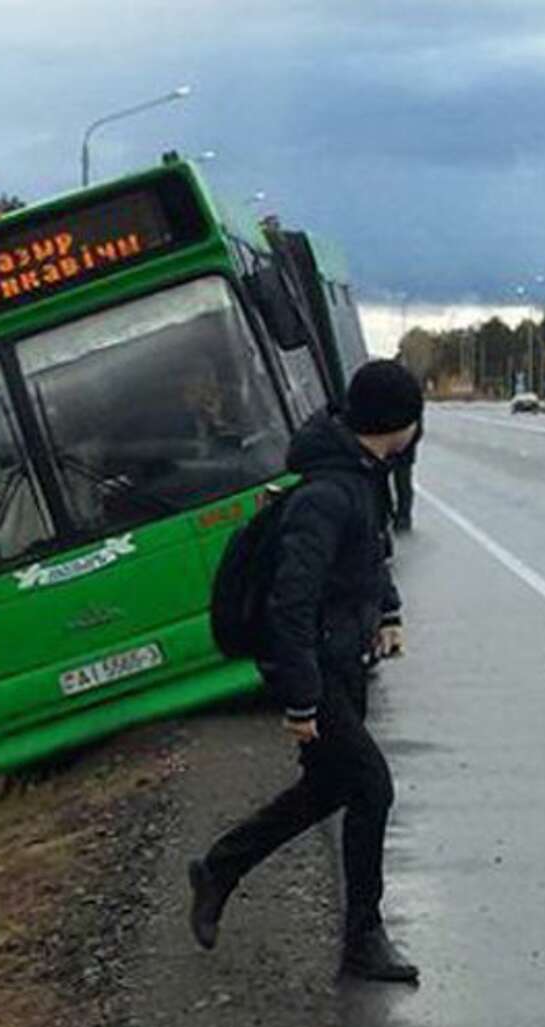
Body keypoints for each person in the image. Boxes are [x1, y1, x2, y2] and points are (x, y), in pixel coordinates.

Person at [187, 359, 423, 984]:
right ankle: (363, 938)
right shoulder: (326, 494)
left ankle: (219, 869)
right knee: (372, 786)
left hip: (342, 657)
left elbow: (369, 556)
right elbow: (289, 603)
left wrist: (389, 611)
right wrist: (300, 701)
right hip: (312, 665)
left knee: (331, 788)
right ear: (399, 423)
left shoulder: (361, 476)